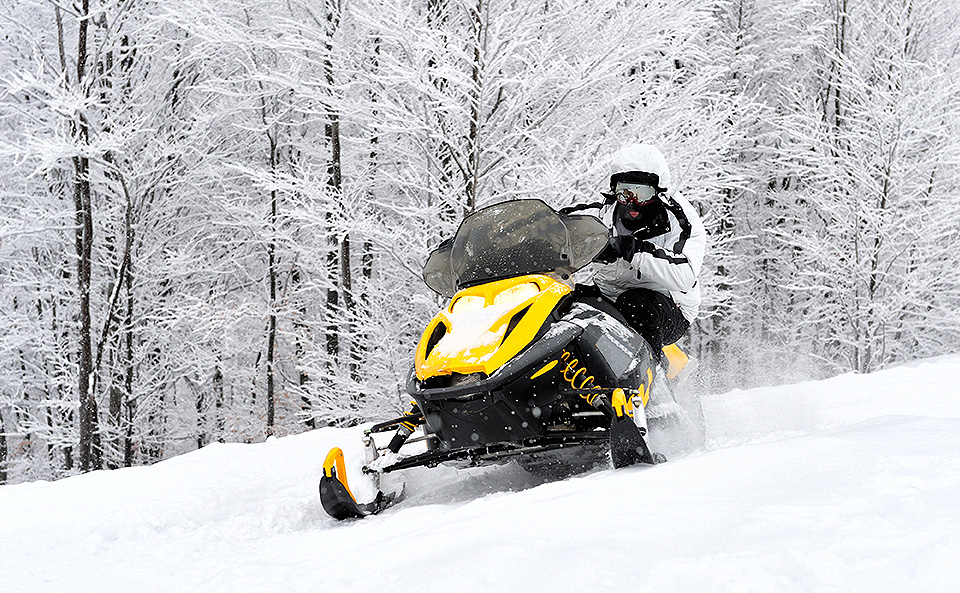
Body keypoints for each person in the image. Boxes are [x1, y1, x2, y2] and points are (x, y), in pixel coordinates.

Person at [565, 143, 707, 360]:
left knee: (635, 303)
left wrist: (632, 249)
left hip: (670, 307)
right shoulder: (602, 214)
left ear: (658, 192)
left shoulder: (680, 221)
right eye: (624, 193)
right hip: (610, 295)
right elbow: (561, 224)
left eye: (642, 194)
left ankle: (654, 374)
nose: (633, 202)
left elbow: (685, 276)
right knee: (562, 297)